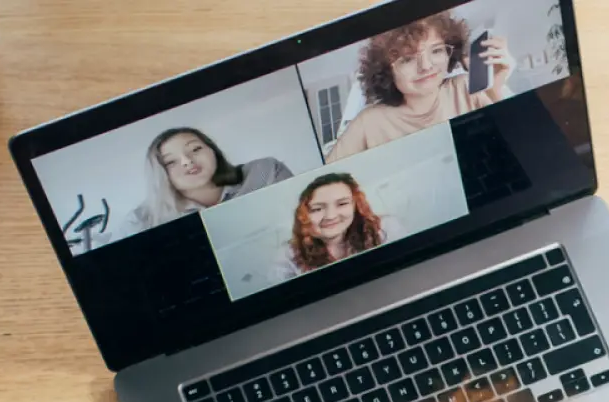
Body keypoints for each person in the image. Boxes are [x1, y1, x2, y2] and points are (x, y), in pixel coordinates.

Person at [327, 12, 514, 161]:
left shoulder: (468, 88)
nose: (426, 66)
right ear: (385, 72)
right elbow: (321, 182)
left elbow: (523, 147)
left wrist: (495, 91)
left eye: (437, 50)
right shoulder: (368, 122)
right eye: (407, 59)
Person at [124, 127, 293, 234]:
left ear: (212, 150)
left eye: (195, 149)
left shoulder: (266, 170)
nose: (187, 161)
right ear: (159, 174)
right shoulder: (141, 220)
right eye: (170, 162)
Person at [270, 172, 388, 283]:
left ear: (356, 206)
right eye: (317, 209)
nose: (330, 216)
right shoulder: (287, 256)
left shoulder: (384, 229)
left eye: (342, 204)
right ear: (303, 215)